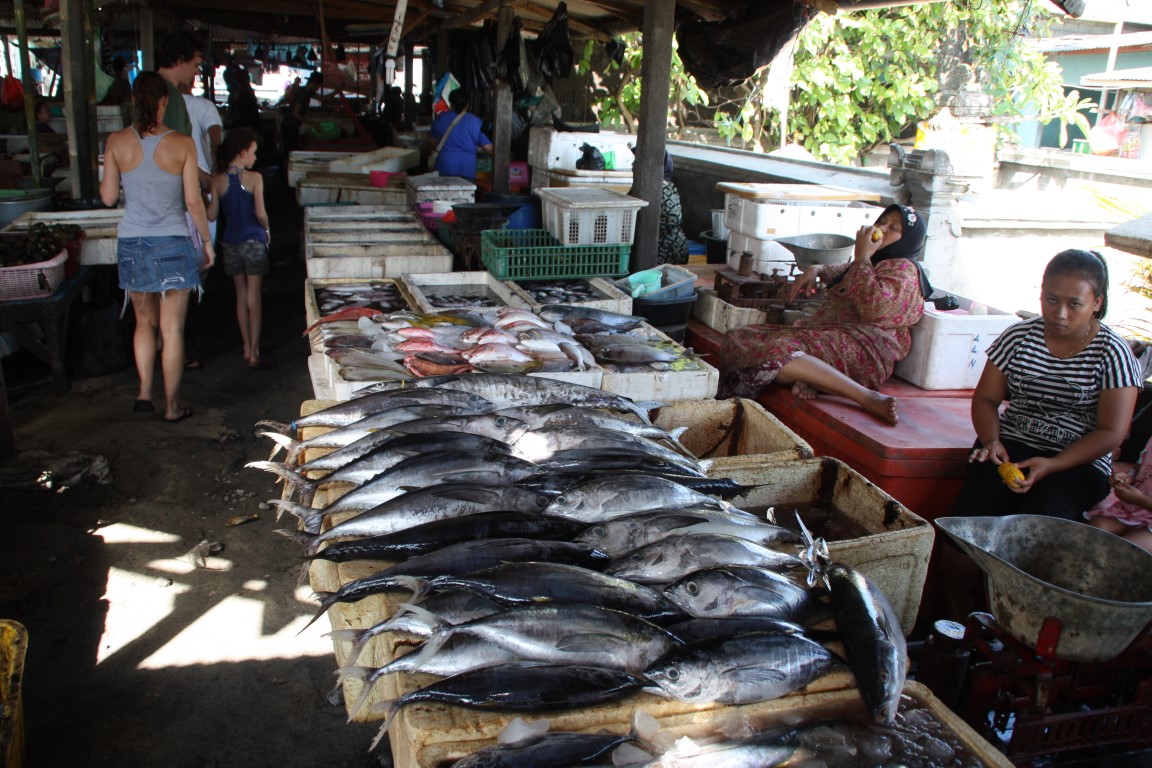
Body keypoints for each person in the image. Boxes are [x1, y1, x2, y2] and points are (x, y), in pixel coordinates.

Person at [953, 249, 1141, 519]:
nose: (1060, 314)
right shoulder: (1018, 337)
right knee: (969, 516)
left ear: (1097, 302)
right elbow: (985, 399)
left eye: (1074, 304)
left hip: (1078, 461)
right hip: (1011, 445)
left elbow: (1111, 432)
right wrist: (991, 440)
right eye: (1051, 300)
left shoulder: (1113, 353)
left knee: (1044, 517)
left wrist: (1054, 464)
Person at [718, 204, 931, 425]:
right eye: (882, 221)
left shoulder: (905, 271)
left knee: (777, 351)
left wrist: (861, 257)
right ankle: (812, 378)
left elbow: (875, 307)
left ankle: (866, 397)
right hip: (833, 337)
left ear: (908, 240)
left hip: (863, 351)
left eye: (894, 227)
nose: (882, 228)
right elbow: (844, 271)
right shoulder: (879, 261)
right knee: (739, 337)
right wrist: (817, 269)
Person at [100, 71, 214, 423]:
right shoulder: (182, 144)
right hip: (173, 242)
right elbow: (194, 204)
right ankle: (172, 406)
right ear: (164, 101)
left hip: (132, 242)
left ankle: (144, 392)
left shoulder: (116, 141)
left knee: (143, 323)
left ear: (134, 101)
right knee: (172, 330)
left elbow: (107, 197)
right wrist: (207, 244)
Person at [207, 127, 270, 370]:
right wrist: (266, 228)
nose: (255, 158)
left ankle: (245, 347)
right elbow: (261, 214)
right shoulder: (255, 178)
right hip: (253, 242)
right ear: (242, 153)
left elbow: (212, 215)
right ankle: (255, 351)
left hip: (230, 243)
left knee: (241, 296)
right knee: (254, 297)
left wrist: (204, 196)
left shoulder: (217, 181)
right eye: (253, 152)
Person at [1085, 433, 1152, 552]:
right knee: (1095, 529)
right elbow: (1138, 469)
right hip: (1135, 509)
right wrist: (1127, 478)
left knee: (1124, 549)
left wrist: (1140, 499)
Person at [428, 88, 492, 180]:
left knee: (445, 194)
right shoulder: (475, 121)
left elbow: (432, 141)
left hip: (445, 167)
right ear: (467, 104)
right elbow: (488, 148)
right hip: (466, 168)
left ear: (450, 103)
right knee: (465, 194)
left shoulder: (441, 118)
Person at [155, 29, 204, 137]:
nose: (197, 72)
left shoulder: (148, 86)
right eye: (195, 65)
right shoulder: (171, 96)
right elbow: (174, 147)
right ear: (180, 61)